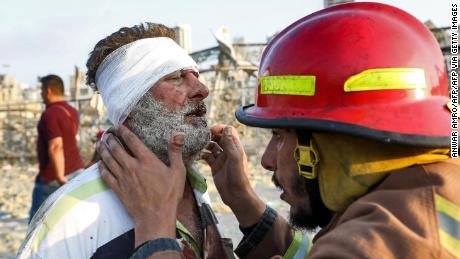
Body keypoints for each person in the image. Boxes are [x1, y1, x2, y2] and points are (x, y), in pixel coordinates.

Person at [96, 3, 459, 259]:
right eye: (176, 77)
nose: (267, 160)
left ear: (328, 140)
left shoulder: (374, 244)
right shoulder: (430, 192)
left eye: (280, 135)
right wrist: (244, 201)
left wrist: (155, 229)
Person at [18, 23, 234, 259]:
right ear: (129, 103)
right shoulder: (72, 216)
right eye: (175, 77)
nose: (202, 89)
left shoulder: (195, 187)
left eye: (196, 75)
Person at [29, 74, 84, 223]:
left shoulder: (50, 114)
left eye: (41, 90)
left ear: (48, 91)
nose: (40, 93)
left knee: (36, 223)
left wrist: (59, 176)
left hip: (53, 177)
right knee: (68, 219)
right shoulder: (71, 111)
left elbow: (56, 146)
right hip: (77, 171)